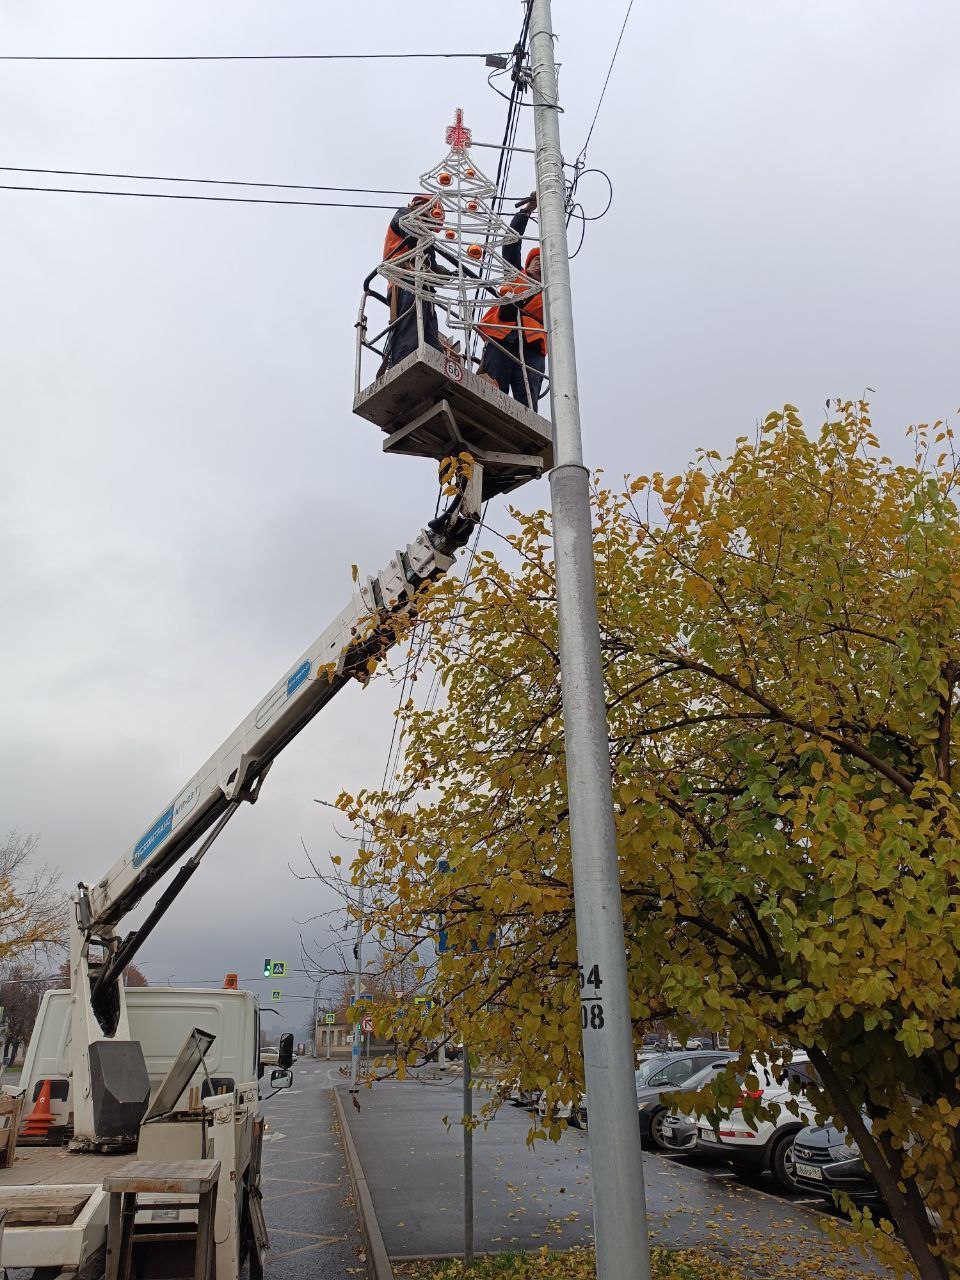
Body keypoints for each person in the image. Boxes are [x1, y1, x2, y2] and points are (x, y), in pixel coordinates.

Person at [477, 192, 546, 409]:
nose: (538, 263)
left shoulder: (551, 295)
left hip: (532, 346)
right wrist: (526, 211)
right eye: (535, 259)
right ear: (528, 264)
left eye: (543, 261)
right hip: (503, 338)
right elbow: (511, 242)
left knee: (528, 400)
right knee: (493, 391)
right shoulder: (515, 275)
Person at [381, 195, 447, 370]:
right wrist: (435, 267)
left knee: (429, 336)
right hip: (405, 279)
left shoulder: (423, 234)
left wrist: (442, 272)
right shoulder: (404, 214)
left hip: (422, 286)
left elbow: (429, 259)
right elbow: (412, 235)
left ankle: (435, 367)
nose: (430, 226)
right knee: (409, 332)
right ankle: (402, 366)